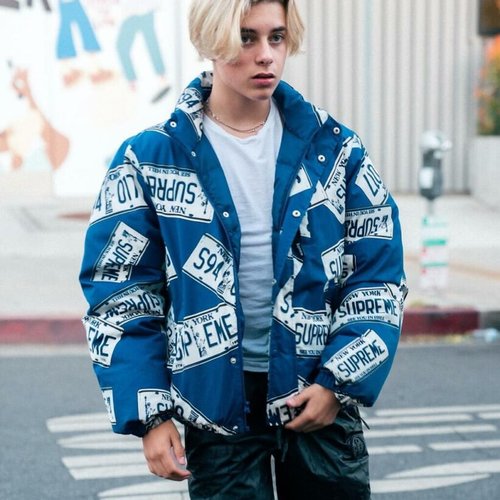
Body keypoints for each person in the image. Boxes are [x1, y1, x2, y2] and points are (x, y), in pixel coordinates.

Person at [79, 0, 407, 498]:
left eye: (276, 37)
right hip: (216, 407)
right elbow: (120, 293)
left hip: (316, 393)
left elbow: (378, 274)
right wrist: (151, 415)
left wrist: (337, 381)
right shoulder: (150, 157)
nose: (265, 55)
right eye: (246, 38)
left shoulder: (335, 149)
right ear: (211, 41)